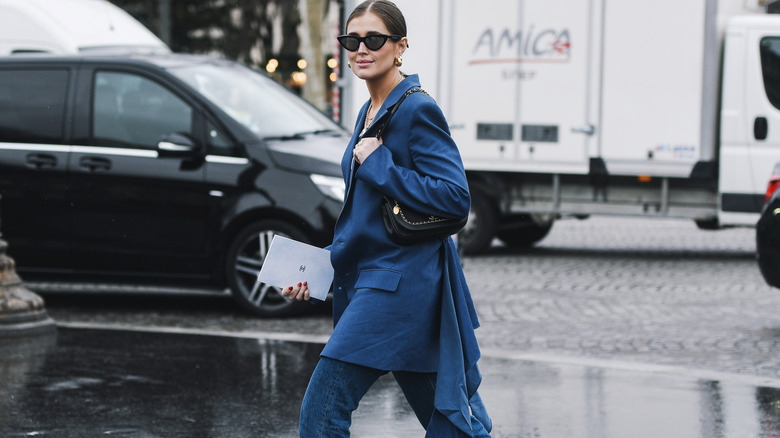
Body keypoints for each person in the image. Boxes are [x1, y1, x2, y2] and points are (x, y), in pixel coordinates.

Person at [282, 1, 492, 436]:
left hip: (396, 288)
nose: (361, 48)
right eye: (351, 40)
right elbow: (368, 220)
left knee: (321, 415)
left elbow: (455, 199)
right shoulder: (369, 112)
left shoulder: (416, 110)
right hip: (384, 285)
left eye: (374, 39)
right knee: (450, 420)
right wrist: (319, 268)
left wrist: (380, 164)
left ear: (400, 45)